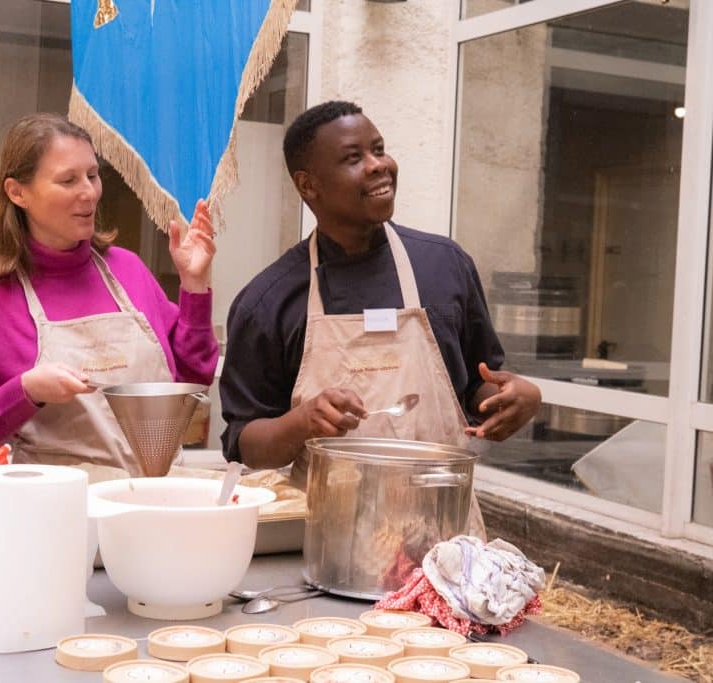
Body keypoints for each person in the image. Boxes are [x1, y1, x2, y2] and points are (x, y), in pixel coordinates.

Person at [220, 101, 541, 530]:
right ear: (308, 185)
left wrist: (516, 398)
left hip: (444, 536)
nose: (378, 166)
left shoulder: (445, 267)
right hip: (325, 542)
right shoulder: (269, 302)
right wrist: (301, 423)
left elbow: (479, 386)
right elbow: (245, 446)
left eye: (379, 149)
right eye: (354, 158)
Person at [0, 114, 218, 474]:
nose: (89, 193)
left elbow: (193, 376)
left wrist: (194, 288)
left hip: (151, 502)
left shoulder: (128, 269)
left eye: (92, 175)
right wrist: (26, 390)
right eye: (68, 180)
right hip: (54, 514)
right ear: (17, 192)